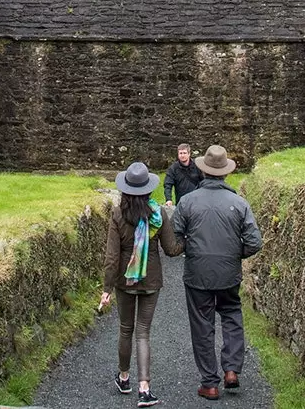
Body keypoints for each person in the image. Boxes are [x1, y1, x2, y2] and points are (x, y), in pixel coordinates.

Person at [171, 144, 261, 401]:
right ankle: (231, 369)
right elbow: (254, 242)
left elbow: (176, 239)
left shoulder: (187, 202)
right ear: (225, 173)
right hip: (228, 272)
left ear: (204, 171)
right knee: (231, 313)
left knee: (202, 324)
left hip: (197, 274)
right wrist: (234, 254)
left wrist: (192, 247)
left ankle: (209, 383)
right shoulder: (239, 203)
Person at [99, 161, 181, 407]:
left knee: (126, 328)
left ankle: (124, 379)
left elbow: (112, 258)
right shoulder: (158, 214)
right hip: (151, 279)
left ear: (125, 190)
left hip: (125, 280)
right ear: (147, 189)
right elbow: (172, 249)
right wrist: (187, 241)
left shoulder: (117, 215)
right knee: (143, 332)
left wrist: (106, 289)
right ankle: (144, 389)